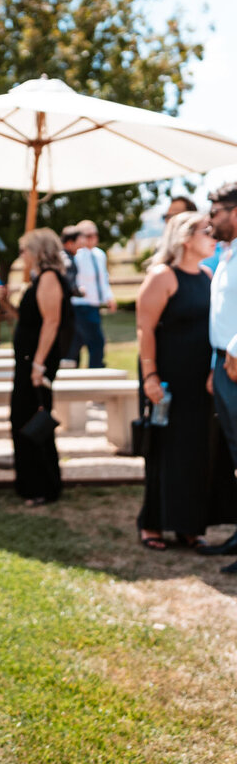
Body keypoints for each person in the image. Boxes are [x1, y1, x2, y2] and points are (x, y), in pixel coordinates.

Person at [134, 212, 236, 550]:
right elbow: (144, 329)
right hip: (167, 378)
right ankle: (152, 524)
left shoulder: (208, 274)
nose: (212, 236)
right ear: (184, 238)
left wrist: (212, 371)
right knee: (165, 451)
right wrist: (150, 376)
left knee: (197, 451)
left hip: (201, 380)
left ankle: (189, 524)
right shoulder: (162, 276)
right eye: (205, 231)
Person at [11, 229, 74, 507]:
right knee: (24, 418)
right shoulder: (38, 279)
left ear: (37, 251)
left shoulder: (49, 277)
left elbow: (52, 321)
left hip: (35, 363)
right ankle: (31, 482)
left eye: (25, 250)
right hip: (28, 361)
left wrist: (38, 364)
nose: (22, 256)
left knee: (31, 420)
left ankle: (42, 485)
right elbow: (29, 319)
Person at [196, 183, 237, 572]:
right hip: (224, 364)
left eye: (216, 211)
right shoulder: (226, 253)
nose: (210, 219)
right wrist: (216, 361)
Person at [67, 219, 116, 369]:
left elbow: (103, 278)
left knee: (77, 341)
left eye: (95, 235)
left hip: (94, 304)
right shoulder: (76, 256)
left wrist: (108, 296)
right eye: (88, 235)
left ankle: (73, 368)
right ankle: (94, 370)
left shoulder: (99, 254)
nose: (92, 238)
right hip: (80, 304)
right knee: (95, 342)